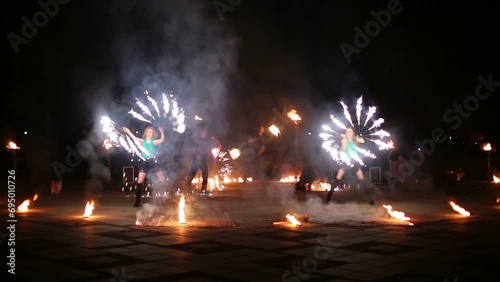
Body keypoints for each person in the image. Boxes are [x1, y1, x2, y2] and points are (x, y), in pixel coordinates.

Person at [325, 127, 375, 205]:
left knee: (362, 180)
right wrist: (344, 139)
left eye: (351, 132)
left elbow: (362, 141)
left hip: (355, 161)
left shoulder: (355, 139)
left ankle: (370, 199)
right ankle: (328, 199)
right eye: (347, 132)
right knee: (337, 179)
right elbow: (344, 148)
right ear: (345, 133)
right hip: (346, 161)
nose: (349, 133)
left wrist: (356, 137)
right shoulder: (343, 140)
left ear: (353, 133)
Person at [123, 126, 166, 207]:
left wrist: (162, 132)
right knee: (140, 181)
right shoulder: (142, 141)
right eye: (148, 131)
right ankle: (137, 201)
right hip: (144, 162)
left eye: (151, 132)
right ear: (145, 133)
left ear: (153, 133)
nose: (149, 133)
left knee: (162, 179)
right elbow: (133, 138)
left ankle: (164, 199)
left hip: (153, 161)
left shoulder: (154, 142)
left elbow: (162, 140)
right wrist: (128, 131)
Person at [186, 126, 221, 194]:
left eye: (205, 132)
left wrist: (216, 145)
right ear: (201, 133)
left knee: (205, 174)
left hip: (203, 159)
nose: (205, 133)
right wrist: (197, 154)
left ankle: (204, 188)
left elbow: (210, 147)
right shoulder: (196, 140)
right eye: (203, 132)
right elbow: (191, 148)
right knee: (192, 173)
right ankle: (187, 187)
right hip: (196, 159)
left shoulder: (206, 140)